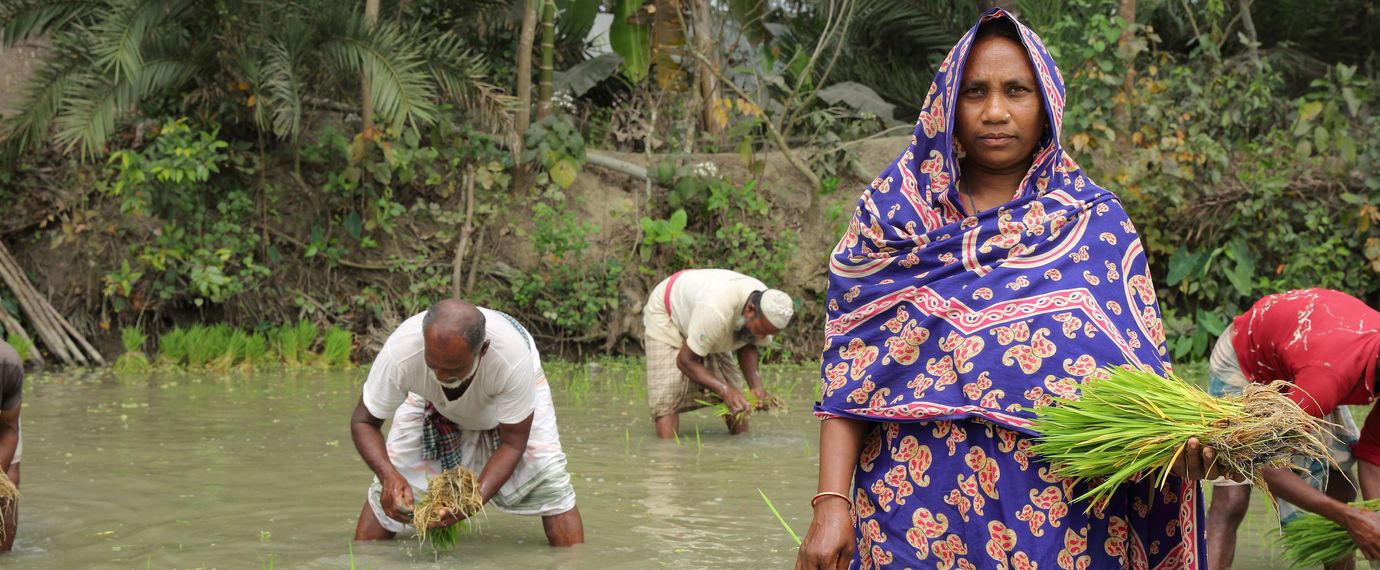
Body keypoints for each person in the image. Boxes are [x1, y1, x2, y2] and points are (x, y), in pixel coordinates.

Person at [796, 9, 1223, 569]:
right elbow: (853, 373)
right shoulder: (892, 219)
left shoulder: (1094, 223)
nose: (995, 112)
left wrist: (1184, 449)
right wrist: (830, 503)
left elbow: (1137, 387)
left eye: (1016, 90)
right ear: (947, 105)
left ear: (1046, 104)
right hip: (913, 509)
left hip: (1058, 516)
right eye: (975, 91)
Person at [349, 299, 584, 546]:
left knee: (550, 482)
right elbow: (364, 422)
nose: (440, 377)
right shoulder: (401, 353)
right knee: (386, 499)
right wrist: (388, 476)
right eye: (433, 365)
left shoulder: (512, 358)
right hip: (428, 400)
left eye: (453, 369)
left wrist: (470, 501)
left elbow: (513, 444)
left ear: (483, 351)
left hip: (507, 401)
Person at [1206, 288, 1380, 570]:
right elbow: (1265, 464)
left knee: (1340, 484)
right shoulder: (1328, 379)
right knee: (1232, 498)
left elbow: (1373, 457)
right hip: (1248, 362)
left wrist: (1373, 520)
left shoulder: (1336, 373)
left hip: (1302, 360)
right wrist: (1350, 517)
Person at [642, 268, 794, 439]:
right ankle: (666, 457)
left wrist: (755, 387)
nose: (762, 337)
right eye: (760, 330)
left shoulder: (766, 305)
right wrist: (724, 390)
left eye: (767, 334)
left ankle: (741, 446)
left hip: (706, 318)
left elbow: (749, 344)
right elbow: (685, 361)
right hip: (669, 313)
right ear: (750, 310)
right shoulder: (716, 309)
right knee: (666, 395)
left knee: (735, 392)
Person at [0, 340, 20, 553]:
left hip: (2, 422)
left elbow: (8, 429)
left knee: (8, 484)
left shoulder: (7, 364)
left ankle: (3, 557)